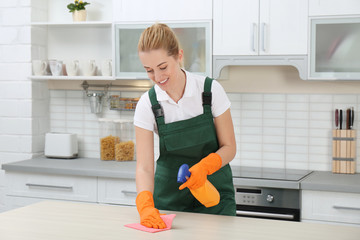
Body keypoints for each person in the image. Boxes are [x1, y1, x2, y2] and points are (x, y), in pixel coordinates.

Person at [134, 23, 236, 229]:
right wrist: (145, 206)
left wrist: (204, 168)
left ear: (179, 56)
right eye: (149, 70)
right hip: (171, 200)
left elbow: (229, 147)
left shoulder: (209, 90)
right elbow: (144, 167)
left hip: (214, 196)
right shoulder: (148, 104)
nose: (158, 77)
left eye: (163, 67)